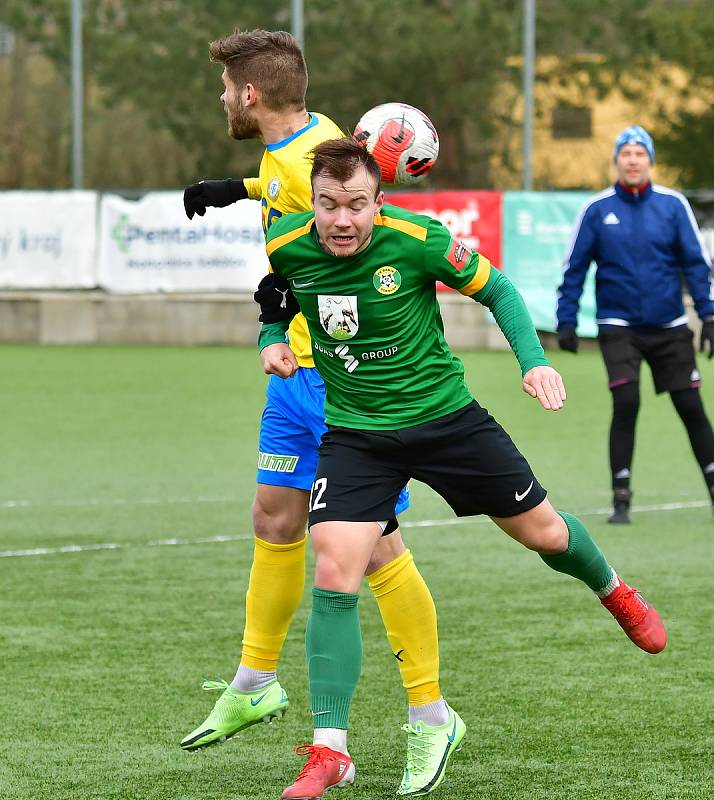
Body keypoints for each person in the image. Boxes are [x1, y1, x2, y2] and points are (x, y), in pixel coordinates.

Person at [257, 137, 667, 800]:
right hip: (357, 435)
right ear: (314, 203)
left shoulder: (417, 239)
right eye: (329, 205)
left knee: (546, 535)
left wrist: (533, 360)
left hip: (447, 420)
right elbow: (278, 301)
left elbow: (497, 288)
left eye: (356, 206)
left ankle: (613, 589)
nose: (341, 220)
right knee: (335, 567)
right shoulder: (287, 242)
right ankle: (330, 749)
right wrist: (272, 340)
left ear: (377, 202)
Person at [179, 29, 456, 786]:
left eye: (225, 89)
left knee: (374, 550)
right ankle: (253, 683)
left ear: (249, 95)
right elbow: (285, 192)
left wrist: (287, 297)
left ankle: (431, 714)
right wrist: (231, 189)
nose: (222, 99)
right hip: (292, 379)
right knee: (274, 517)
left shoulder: (324, 159)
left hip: (341, 382)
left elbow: (357, 246)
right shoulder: (292, 151)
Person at [556, 125, 714, 524]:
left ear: (650, 161)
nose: (632, 160)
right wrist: (567, 319)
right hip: (618, 326)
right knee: (626, 403)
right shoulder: (596, 209)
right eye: (625, 153)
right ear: (616, 161)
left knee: (691, 405)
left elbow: (696, 264)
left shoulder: (673, 205)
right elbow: (574, 266)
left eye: (639, 153)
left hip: (670, 326)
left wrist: (709, 315)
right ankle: (621, 498)